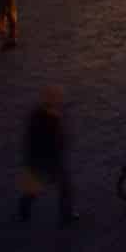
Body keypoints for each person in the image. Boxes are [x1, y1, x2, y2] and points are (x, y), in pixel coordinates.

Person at [19, 87, 75, 223]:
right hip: (49, 158)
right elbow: (52, 139)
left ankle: (24, 208)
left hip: (39, 158)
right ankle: (66, 215)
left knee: (37, 186)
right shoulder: (49, 117)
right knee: (65, 187)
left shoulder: (38, 114)